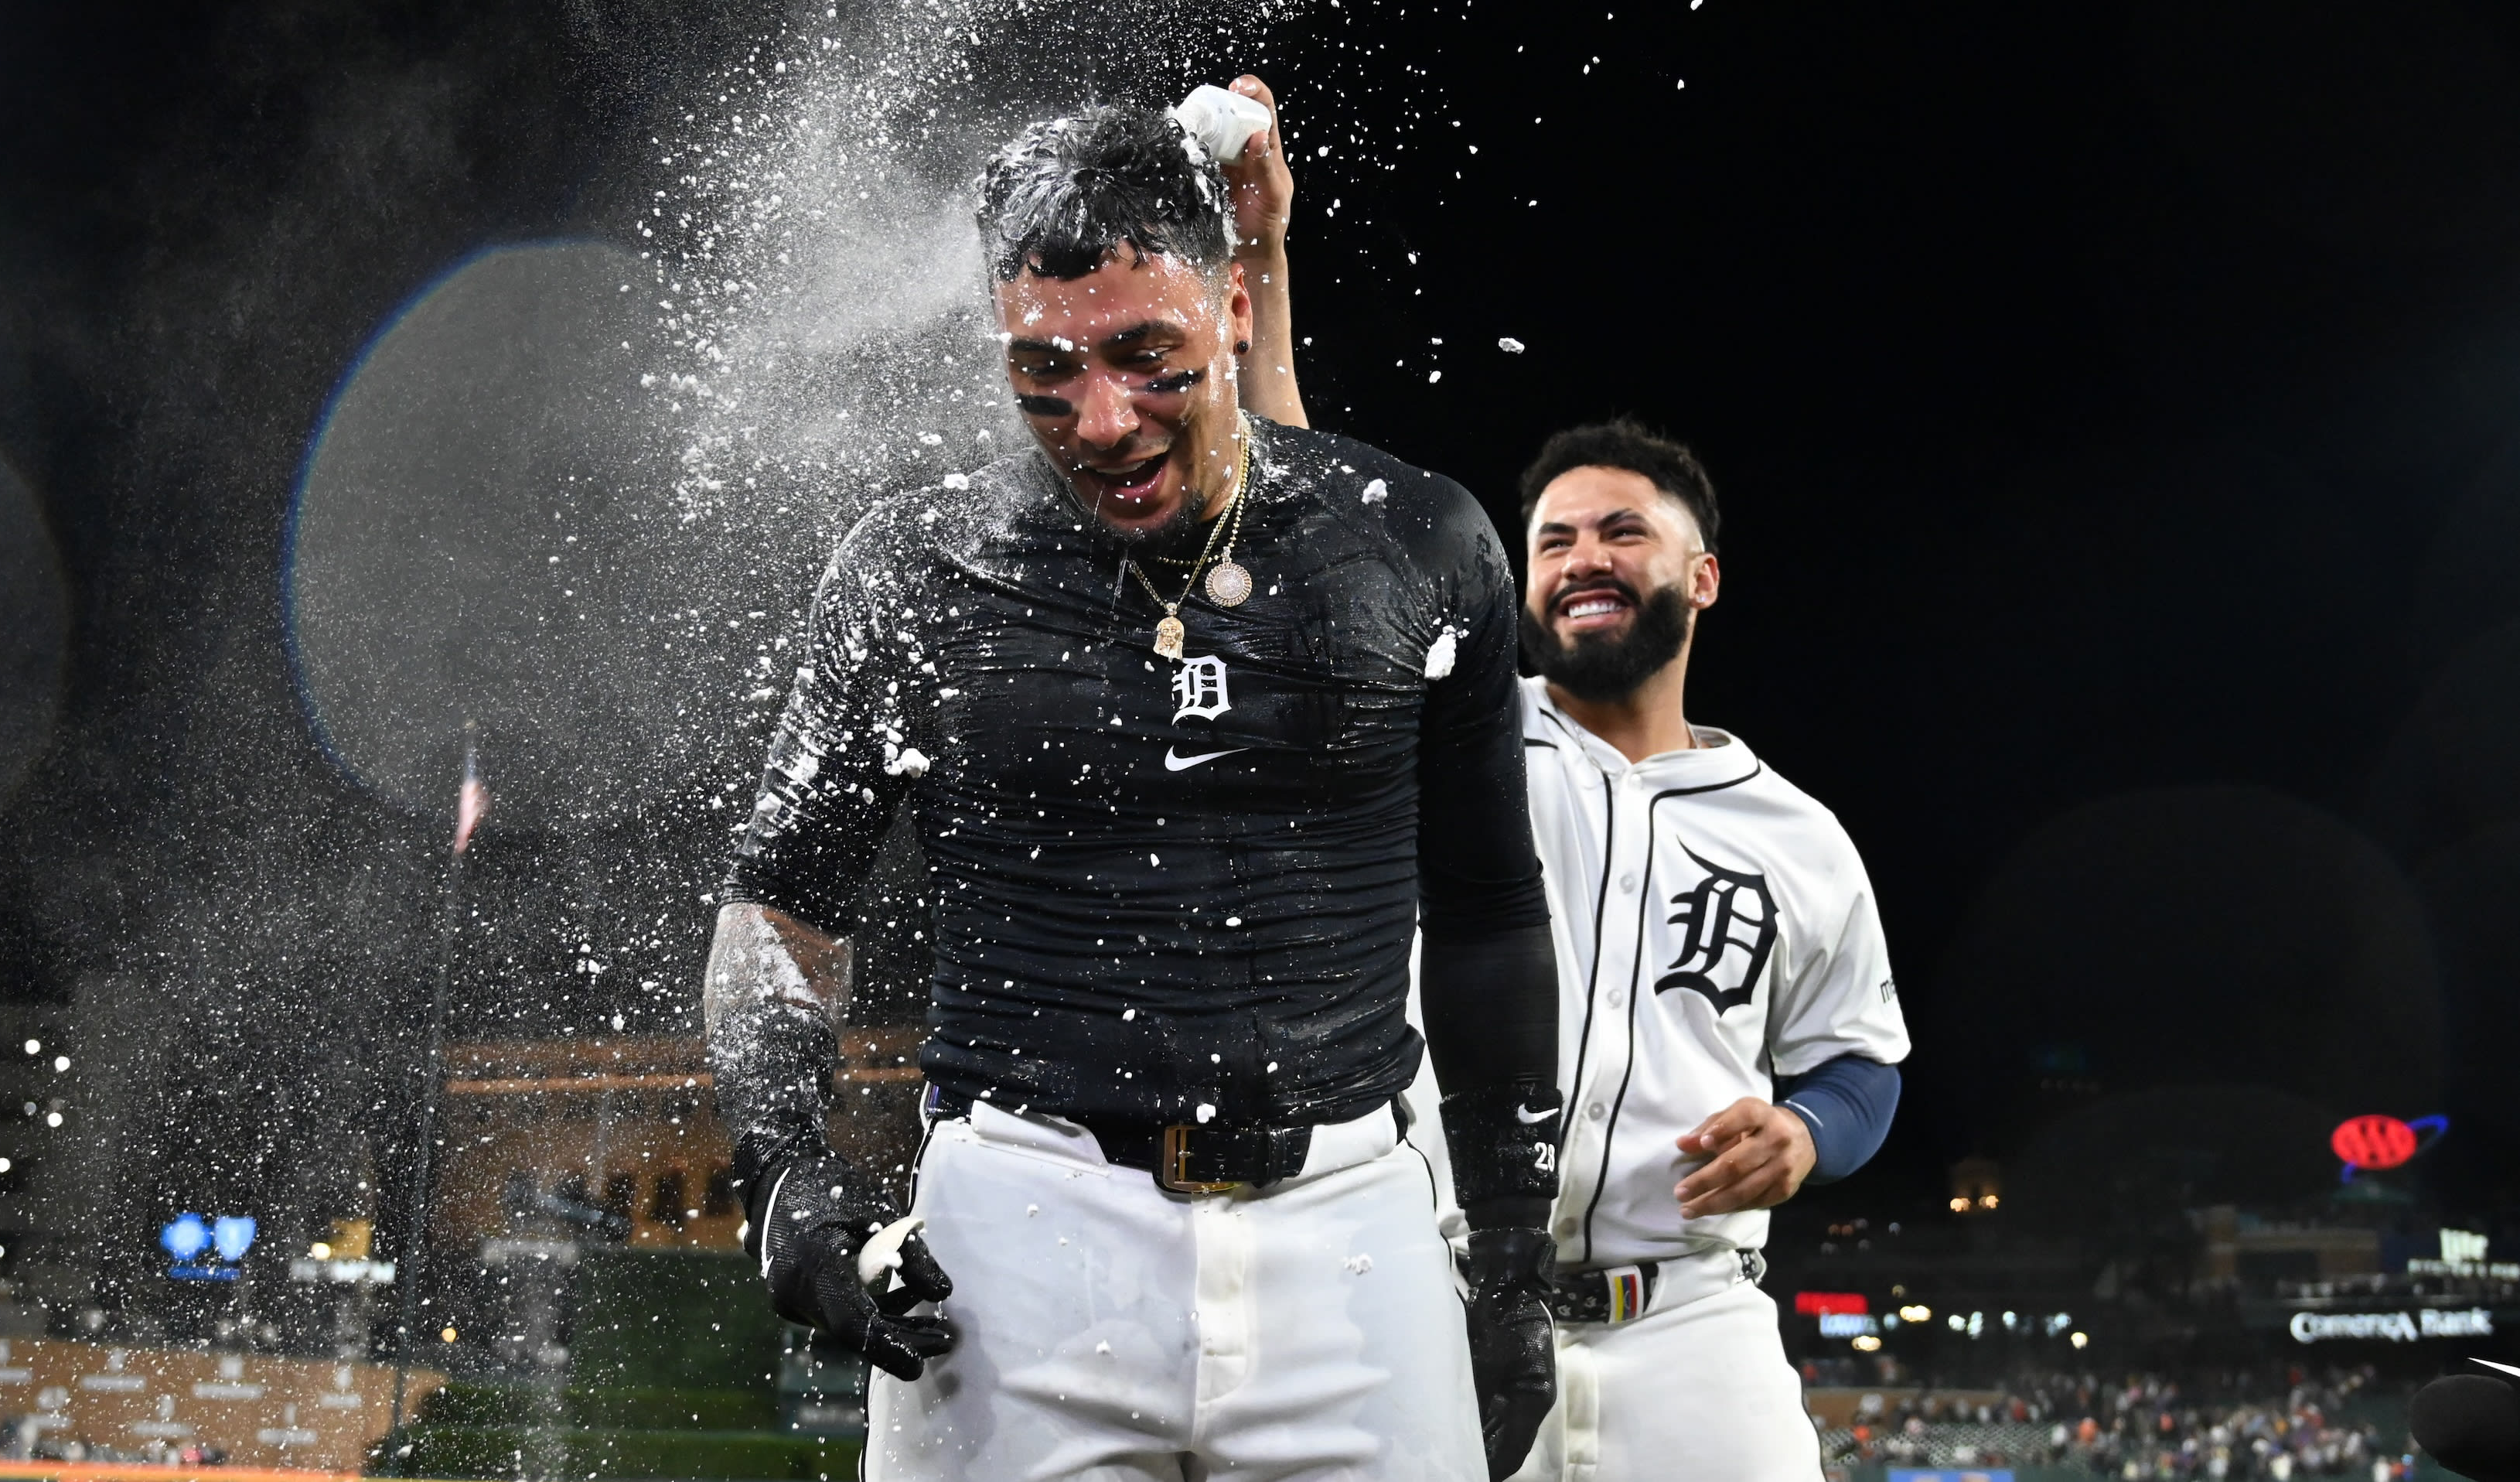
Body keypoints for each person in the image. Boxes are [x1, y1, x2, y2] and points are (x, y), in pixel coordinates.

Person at [702, 77, 1566, 1480]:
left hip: (1350, 1228)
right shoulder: (916, 567)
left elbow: (1487, 910)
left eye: (1144, 353)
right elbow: (783, 899)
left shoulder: (1414, 540)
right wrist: (781, 1172)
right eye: (1043, 366)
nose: (1099, 418)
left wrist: (1513, 1254)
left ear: (1234, 308)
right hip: (1014, 1239)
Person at [1247, 389, 1910, 1480]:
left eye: (1622, 531)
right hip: (1429, 1299)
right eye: (1553, 541)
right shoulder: (1446, 740)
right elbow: (1316, 548)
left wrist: (1805, 1132)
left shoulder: (1798, 834)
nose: (1582, 558)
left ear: (1702, 577)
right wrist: (1265, 298)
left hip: (1691, 1320)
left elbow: (1860, 1063)